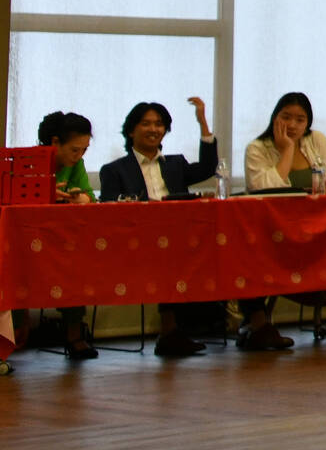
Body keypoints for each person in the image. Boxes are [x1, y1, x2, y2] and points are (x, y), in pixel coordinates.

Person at [98, 99, 221, 357]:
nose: (154, 129)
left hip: (178, 238)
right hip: (137, 242)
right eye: (146, 124)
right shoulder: (114, 170)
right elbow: (108, 210)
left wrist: (202, 123)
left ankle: (227, 322)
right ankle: (170, 331)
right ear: (131, 130)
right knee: (170, 256)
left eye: (159, 124)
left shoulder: (175, 164)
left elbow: (209, 168)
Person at [240, 93, 326, 349]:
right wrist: (287, 150)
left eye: (300, 119)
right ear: (275, 117)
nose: (293, 125)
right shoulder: (257, 148)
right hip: (273, 231)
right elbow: (265, 189)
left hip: (317, 225)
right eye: (286, 117)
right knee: (247, 251)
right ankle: (258, 323)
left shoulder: (317, 140)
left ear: (308, 123)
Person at [35, 111, 98, 360]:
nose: (79, 156)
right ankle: (16, 330)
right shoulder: (30, 160)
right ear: (54, 143)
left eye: (84, 150)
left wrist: (79, 198)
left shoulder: (76, 165)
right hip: (26, 239)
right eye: (74, 150)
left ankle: (74, 334)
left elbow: (89, 199)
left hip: (60, 240)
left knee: (74, 265)